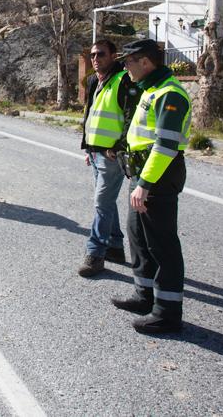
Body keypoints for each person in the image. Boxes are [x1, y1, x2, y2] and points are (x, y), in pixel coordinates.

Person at [111, 39, 191, 335]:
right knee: (139, 237)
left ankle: (167, 313)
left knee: (162, 244)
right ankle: (144, 296)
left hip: (157, 176)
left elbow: (166, 146)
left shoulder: (170, 94)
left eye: (129, 62)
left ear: (145, 62)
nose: (126, 67)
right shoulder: (151, 90)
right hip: (142, 174)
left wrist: (144, 184)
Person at [77, 39, 140, 277]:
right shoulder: (94, 80)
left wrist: (120, 145)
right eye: (92, 55)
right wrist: (88, 147)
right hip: (96, 152)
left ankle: (95, 254)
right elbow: (91, 114)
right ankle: (114, 246)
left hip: (112, 155)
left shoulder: (123, 80)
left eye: (101, 54)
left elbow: (131, 116)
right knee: (107, 201)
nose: (95, 59)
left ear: (114, 55)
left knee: (101, 203)